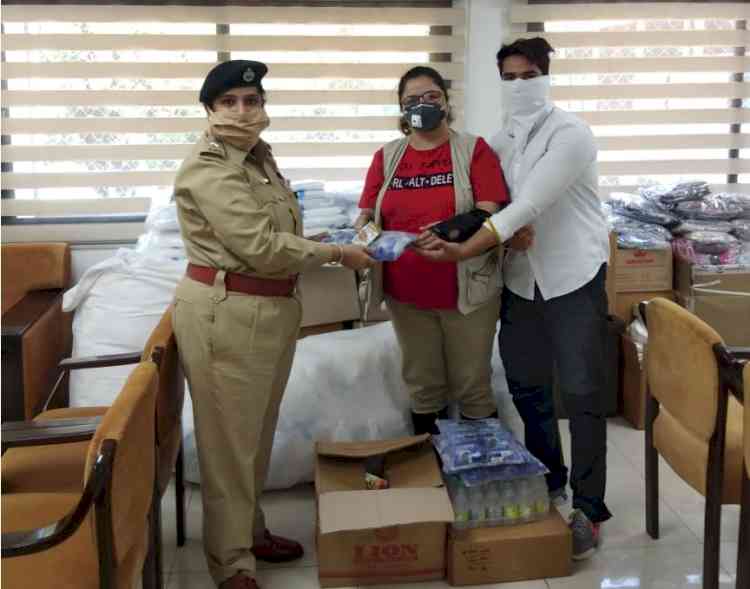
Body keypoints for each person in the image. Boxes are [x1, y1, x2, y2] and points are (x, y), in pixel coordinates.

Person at [171, 60, 374, 589]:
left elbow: (278, 231)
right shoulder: (210, 167)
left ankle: (249, 531)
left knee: (255, 437)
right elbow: (260, 246)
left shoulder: (258, 159)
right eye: (229, 103)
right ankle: (232, 563)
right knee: (228, 445)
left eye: (251, 100)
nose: (242, 111)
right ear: (210, 112)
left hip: (268, 311)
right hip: (229, 312)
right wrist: (336, 253)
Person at [417, 38, 612, 560]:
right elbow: (491, 208)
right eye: (510, 77)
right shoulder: (499, 142)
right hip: (522, 282)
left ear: (546, 76)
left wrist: (470, 247)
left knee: (582, 391)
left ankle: (590, 508)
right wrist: (449, 230)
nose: (520, 86)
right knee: (528, 388)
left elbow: (525, 205)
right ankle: (551, 480)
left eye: (530, 75)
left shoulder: (570, 134)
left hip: (574, 276)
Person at [355, 65, 511, 436]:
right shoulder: (387, 156)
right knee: (423, 385)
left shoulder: (473, 149)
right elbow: (363, 217)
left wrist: (447, 232)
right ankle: (433, 470)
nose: (422, 105)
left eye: (431, 97)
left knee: (472, 383)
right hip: (405, 292)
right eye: (412, 100)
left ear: (445, 102)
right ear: (401, 109)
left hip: (467, 292)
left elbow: (491, 209)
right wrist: (372, 238)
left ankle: (477, 473)